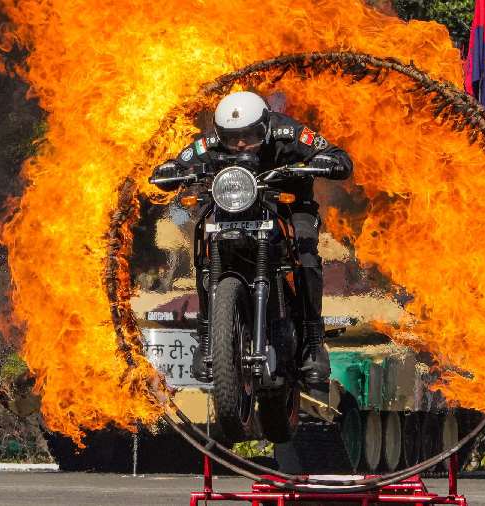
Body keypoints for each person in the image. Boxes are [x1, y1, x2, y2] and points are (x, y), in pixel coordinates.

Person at [151, 91, 353, 385]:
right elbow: (181, 161)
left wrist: (328, 162)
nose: (241, 143)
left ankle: (312, 341)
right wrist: (171, 170)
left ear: (266, 126)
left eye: (249, 135)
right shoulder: (211, 142)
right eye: (233, 138)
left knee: (307, 255)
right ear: (221, 134)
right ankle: (207, 337)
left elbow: (338, 156)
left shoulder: (289, 132)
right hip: (233, 207)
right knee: (204, 250)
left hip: (289, 205)